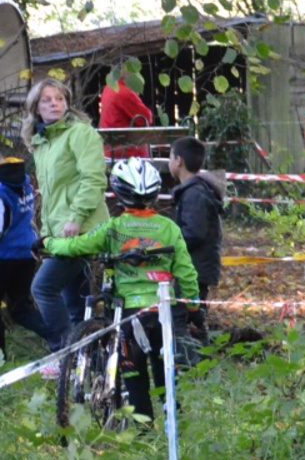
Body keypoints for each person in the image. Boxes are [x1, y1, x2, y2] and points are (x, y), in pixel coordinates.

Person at [42, 159, 200, 422]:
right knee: (164, 371)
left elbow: (76, 246)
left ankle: (143, 429)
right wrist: (194, 307)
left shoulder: (113, 227)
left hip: (128, 312)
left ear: (117, 192)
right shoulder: (169, 228)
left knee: (134, 375)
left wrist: (47, 242)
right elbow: (187, 273)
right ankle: (174, 423)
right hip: (163, 311)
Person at [21, 78, 110, 370]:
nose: (54, 104)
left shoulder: (81, 133)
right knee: (76, 305)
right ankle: (92, 366)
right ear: (36, 108)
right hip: (61, 234)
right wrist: (46, 238)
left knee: (43, 288)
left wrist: (77, 217)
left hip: (83, 231)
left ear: (67, 103)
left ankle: (63, 355)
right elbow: (52, 197)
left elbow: (93, 179)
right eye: (47, 100)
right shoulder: (42, 143)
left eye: (59, 98)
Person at [169, 137, 224, 340]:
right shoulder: (193, 191)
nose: (169, 162)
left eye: (170, 157)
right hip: (195, 268)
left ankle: (193, 355)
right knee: (190, 319)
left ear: (179, 161)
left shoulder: (194, 195)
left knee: (185, 320)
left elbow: (193, 233)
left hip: (195, 270)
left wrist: (169, 245)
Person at [0, 156, 50, 358]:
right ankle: (60, 338)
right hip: (27, 253)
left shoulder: (2, 192)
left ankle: (1, 356)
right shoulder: (25, 186)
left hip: (4, 256)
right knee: (20, 309)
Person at [99, 63, 155, 159]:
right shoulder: (124, 92)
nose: (135, 73)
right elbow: (146, 119)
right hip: (128, 154)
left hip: (110, 151)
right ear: (125, 71)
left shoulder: (108, 88)